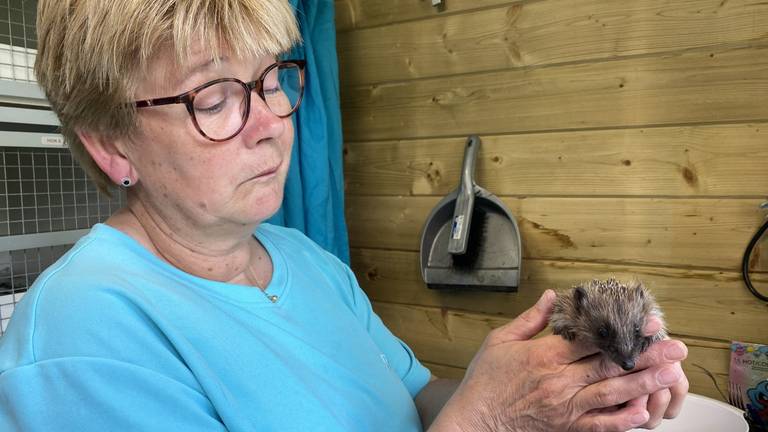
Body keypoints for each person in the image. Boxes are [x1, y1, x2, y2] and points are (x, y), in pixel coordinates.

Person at [0, 0, 688, 431]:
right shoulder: (81, 332)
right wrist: (493, 419)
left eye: (273, 78)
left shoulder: (305, 261)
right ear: (109, 142)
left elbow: (413, 399)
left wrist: (567, 381)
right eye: (214, 97)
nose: (271, 121)